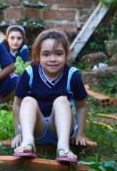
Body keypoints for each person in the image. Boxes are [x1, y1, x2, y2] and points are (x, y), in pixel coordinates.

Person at [11, 29, 96, 163]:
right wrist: (17, 133)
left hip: (60, 130)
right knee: (27, 100)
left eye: (58, 54)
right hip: (36, 129)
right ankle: (27, 144)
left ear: (66, 54)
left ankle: (63, 148)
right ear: (38, 55)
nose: (52, 59)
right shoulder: (30, 72)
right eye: (46, 54)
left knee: (62, 100)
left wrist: (80, 134)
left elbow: (81, 106)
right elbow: (17, 105)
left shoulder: (72, 75)